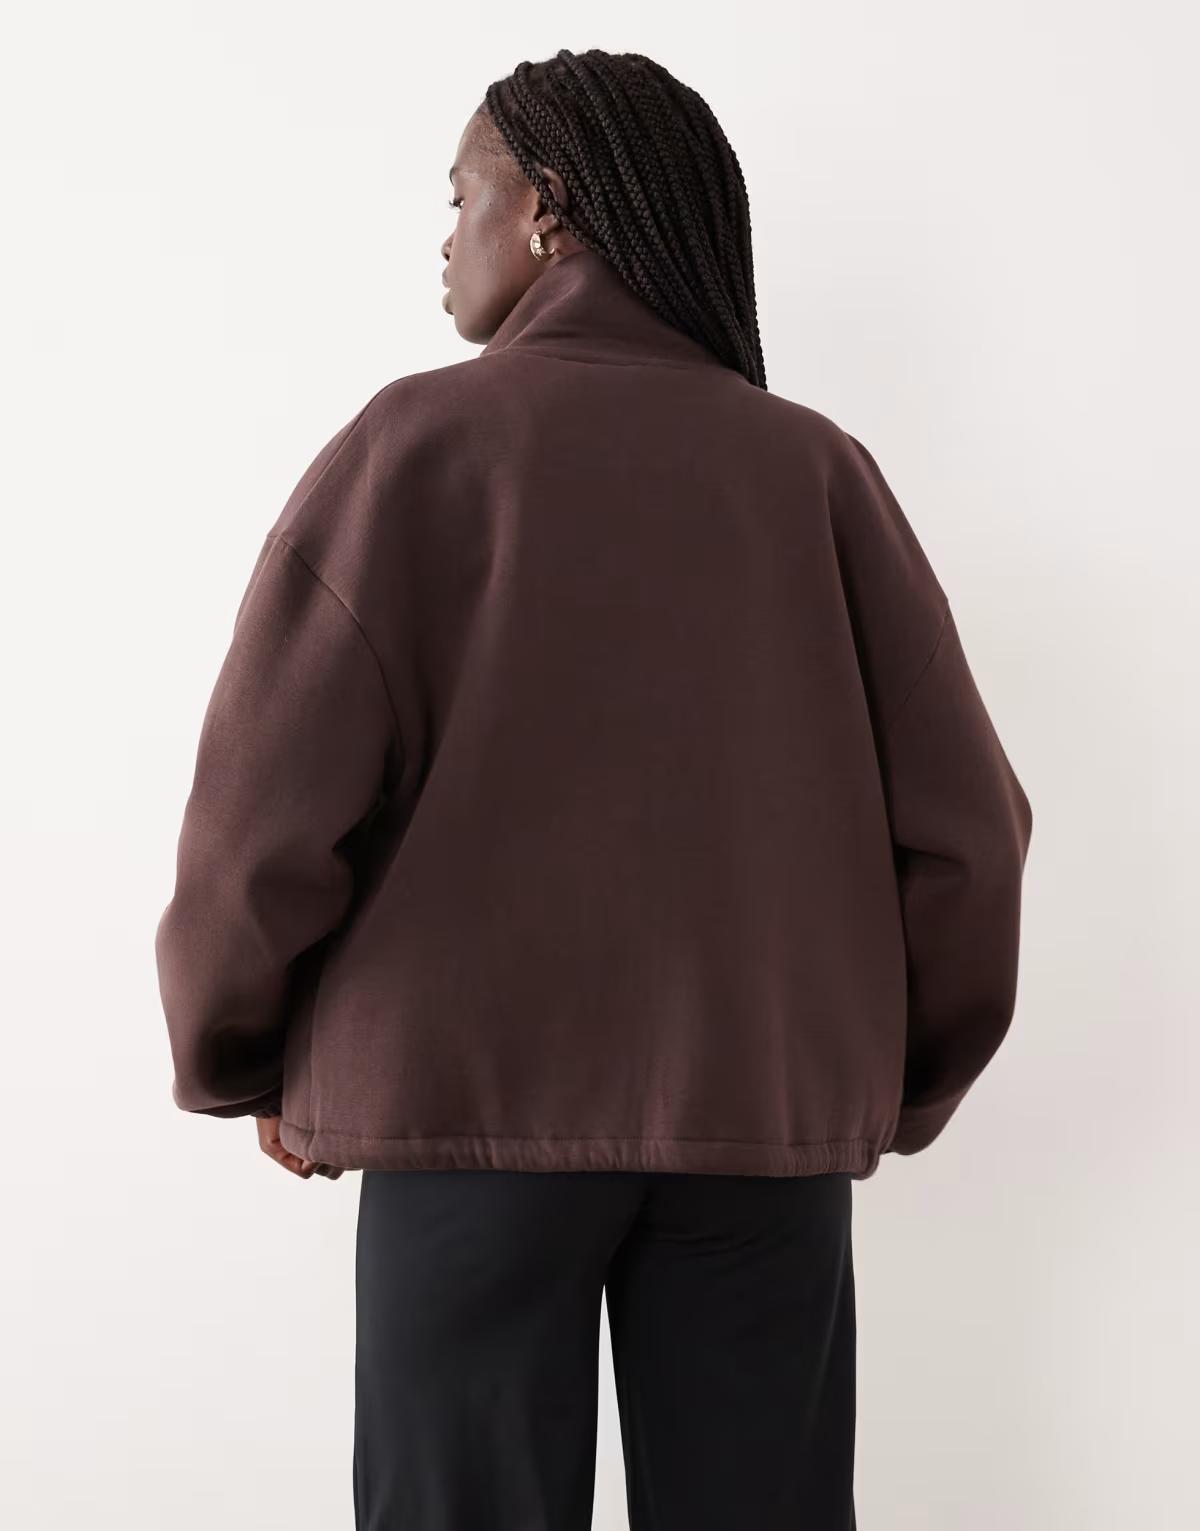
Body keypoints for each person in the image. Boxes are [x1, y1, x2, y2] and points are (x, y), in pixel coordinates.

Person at [154, 47, 1033, 1531]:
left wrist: (237, 1054)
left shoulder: (411, 449)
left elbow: (260, 821)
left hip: (459, 1121)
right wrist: (881, 1090)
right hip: (757, 1130)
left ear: (550, 208)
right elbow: (970, 842)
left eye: (462, 197)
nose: (445, 236)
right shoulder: (815, 474)